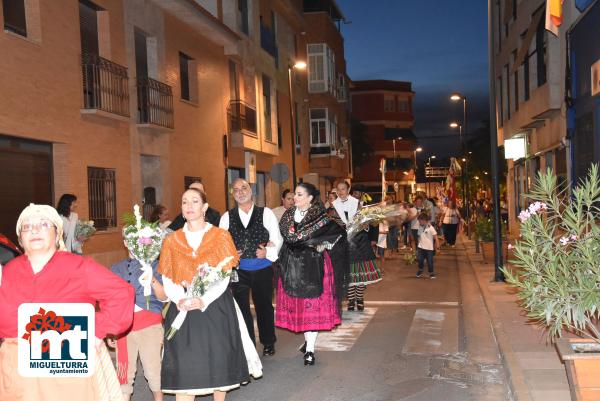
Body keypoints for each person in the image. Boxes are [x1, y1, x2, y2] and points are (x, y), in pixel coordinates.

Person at [0, 203, 134, 401]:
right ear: (20, 239)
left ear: (57, 234)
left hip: (64, 366)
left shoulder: (79, 266)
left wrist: (95, 329)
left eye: (44, 224)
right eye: (27, 226)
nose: (34, 230)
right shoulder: (9, 270)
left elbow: (121, 293)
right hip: (17, 370)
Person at [158, 188, 261, 401]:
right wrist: (180, 299)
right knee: (185, 366)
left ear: (204, 207)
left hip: (215, 306)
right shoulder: (171, 240)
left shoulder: (220, 236)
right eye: (185, 201)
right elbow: (167, 275)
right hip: (182, 308)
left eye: (195, 201)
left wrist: (203, 299)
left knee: (218, 361)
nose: (189, 206)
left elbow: (224, 275)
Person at [276, 183, 349, 366]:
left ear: (310, 198)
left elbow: (337, 235)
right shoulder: (287, 215)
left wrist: (324, 244)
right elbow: (286, 238)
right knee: (301, 308)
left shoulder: (320, 216)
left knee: (312, 310)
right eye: (295, 195)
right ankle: (308, 341)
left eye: (300, 195)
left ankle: (310, 350)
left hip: (314, 265)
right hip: (291, 265)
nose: (295, 198)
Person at [219, 178, 283, 356]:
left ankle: (268, 342)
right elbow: (220, 243)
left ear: (251, 191)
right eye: (236, 189)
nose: (240, 192)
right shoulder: (227, 217)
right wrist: (230, 255)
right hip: (239, 271)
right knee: (242, 308)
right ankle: (248, 345)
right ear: (233, 194)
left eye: (244, 188)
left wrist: (268, 253)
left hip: (262, 268)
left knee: (264, 306)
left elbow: (277, 239)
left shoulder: (266, 213)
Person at [110, 235, 168, 401]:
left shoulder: (156, 265)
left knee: (153, 370)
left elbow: (164, 297)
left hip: (149, 323)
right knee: (123, 372)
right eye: (131, 241)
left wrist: (153, 280)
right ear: (125, 243)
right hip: (124, 326)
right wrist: (112, 331)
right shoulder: (116, 268)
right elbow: (113, 302)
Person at [331, 181, 382, 312]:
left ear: (348, 190)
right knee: (348, 275)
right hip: (344, 244)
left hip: (360, 243)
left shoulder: (358, 204)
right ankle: (351, 300)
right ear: (336, 191)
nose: (341, 192)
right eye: (339, 190)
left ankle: (359, 299)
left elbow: (368, 223)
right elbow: (332, 225)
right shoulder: (333, 207)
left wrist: (365, 226)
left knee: (360, 275)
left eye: (343, 189)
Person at [416, 212, 438, 278]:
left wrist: (437, 247)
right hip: (421, 247)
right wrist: (418, 246)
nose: (419, 222)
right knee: (420, 260)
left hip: (429, 248)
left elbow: (435, 237)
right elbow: (419, 237)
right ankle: (420, 270)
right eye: (419, 221)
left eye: (420, 221)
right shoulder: (420, 227)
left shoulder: (431, 228)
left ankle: (431, 272)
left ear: (424, 220)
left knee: (430, 262)